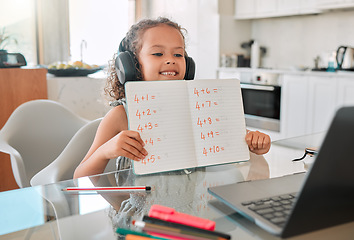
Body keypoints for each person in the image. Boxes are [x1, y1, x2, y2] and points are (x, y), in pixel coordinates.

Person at [73, 17, 271, 179]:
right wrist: (106, 150)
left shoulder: (200, 105)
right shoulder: (121, 115)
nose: (170, 60)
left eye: (178, 54)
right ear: (131, 65)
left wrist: (255, 142)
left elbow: (235, 141)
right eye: (158, 53)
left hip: (194, 211)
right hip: (144, 219)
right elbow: (79, 176)